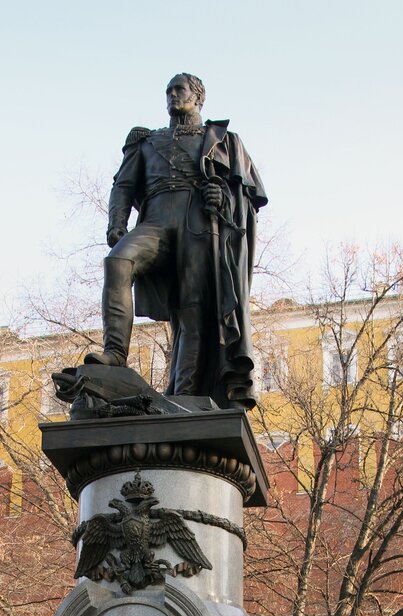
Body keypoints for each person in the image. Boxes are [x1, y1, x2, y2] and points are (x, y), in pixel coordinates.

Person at [85, 72, 267, 410]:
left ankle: (182, 397)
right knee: (118, 262)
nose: (172, 96)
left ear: (198, 97)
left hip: (197, 224)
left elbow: (247, 196)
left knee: (193, 312)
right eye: (168, 91)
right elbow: (123, 185)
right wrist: (116, 223)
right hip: (156, 222)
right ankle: (114, 353)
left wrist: (222, 196)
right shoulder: (146, 141)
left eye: (179, 90)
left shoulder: (223, 140)